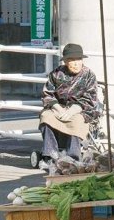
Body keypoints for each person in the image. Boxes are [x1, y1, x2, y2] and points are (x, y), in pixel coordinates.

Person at [38, 43, 100, 173]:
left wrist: (73, 110)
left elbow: (90, 99)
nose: (76, 63)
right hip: (59, 107)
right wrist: (57, 108)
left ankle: (73, 158)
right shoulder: (56, 74)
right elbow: (47, 94)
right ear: (65, 61)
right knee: (46, 116)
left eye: (78, 60)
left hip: (81, 109)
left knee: (77, 121)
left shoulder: (89, 75)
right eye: (72, 60)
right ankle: (50, 155)